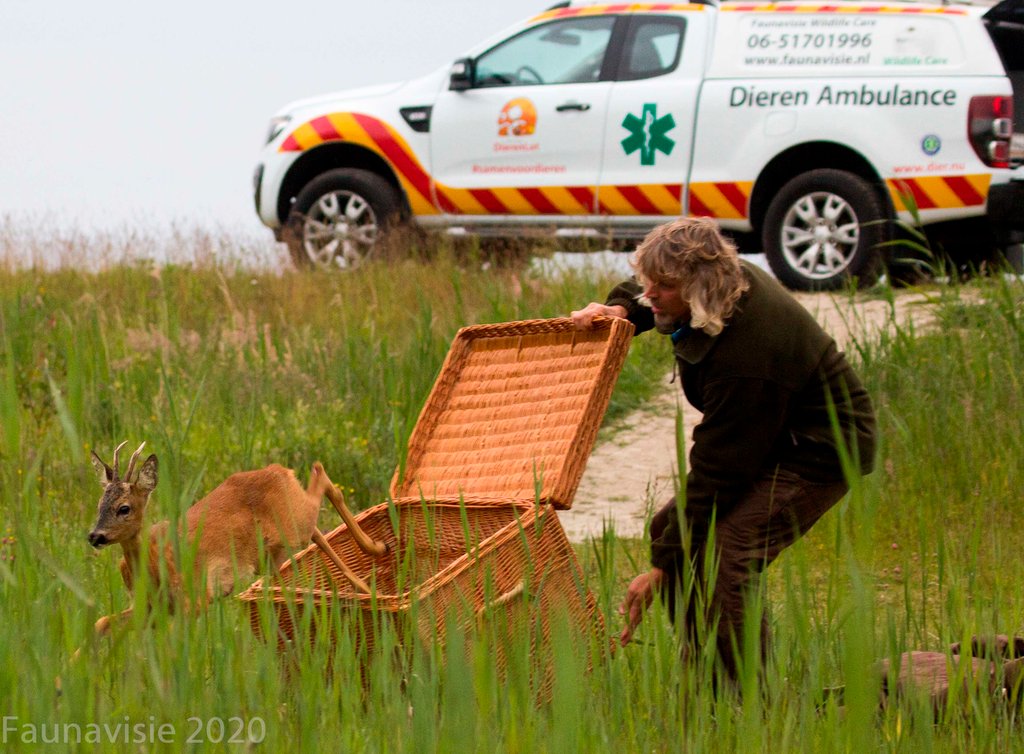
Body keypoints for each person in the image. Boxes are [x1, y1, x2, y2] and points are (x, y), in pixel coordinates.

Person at [571, 217, 876, 680]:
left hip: (821, 449)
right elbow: (649, 286)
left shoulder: (748, 354)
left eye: (663, 287)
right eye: (647, 281)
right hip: (773, 433)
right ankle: (705, 678)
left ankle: (743, 702)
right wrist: (621, 312)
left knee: (729, 556)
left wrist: (660, 569)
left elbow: (720, 472)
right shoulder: (709, 282)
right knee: (671, 531)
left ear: (701, 288)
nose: (648, 294)